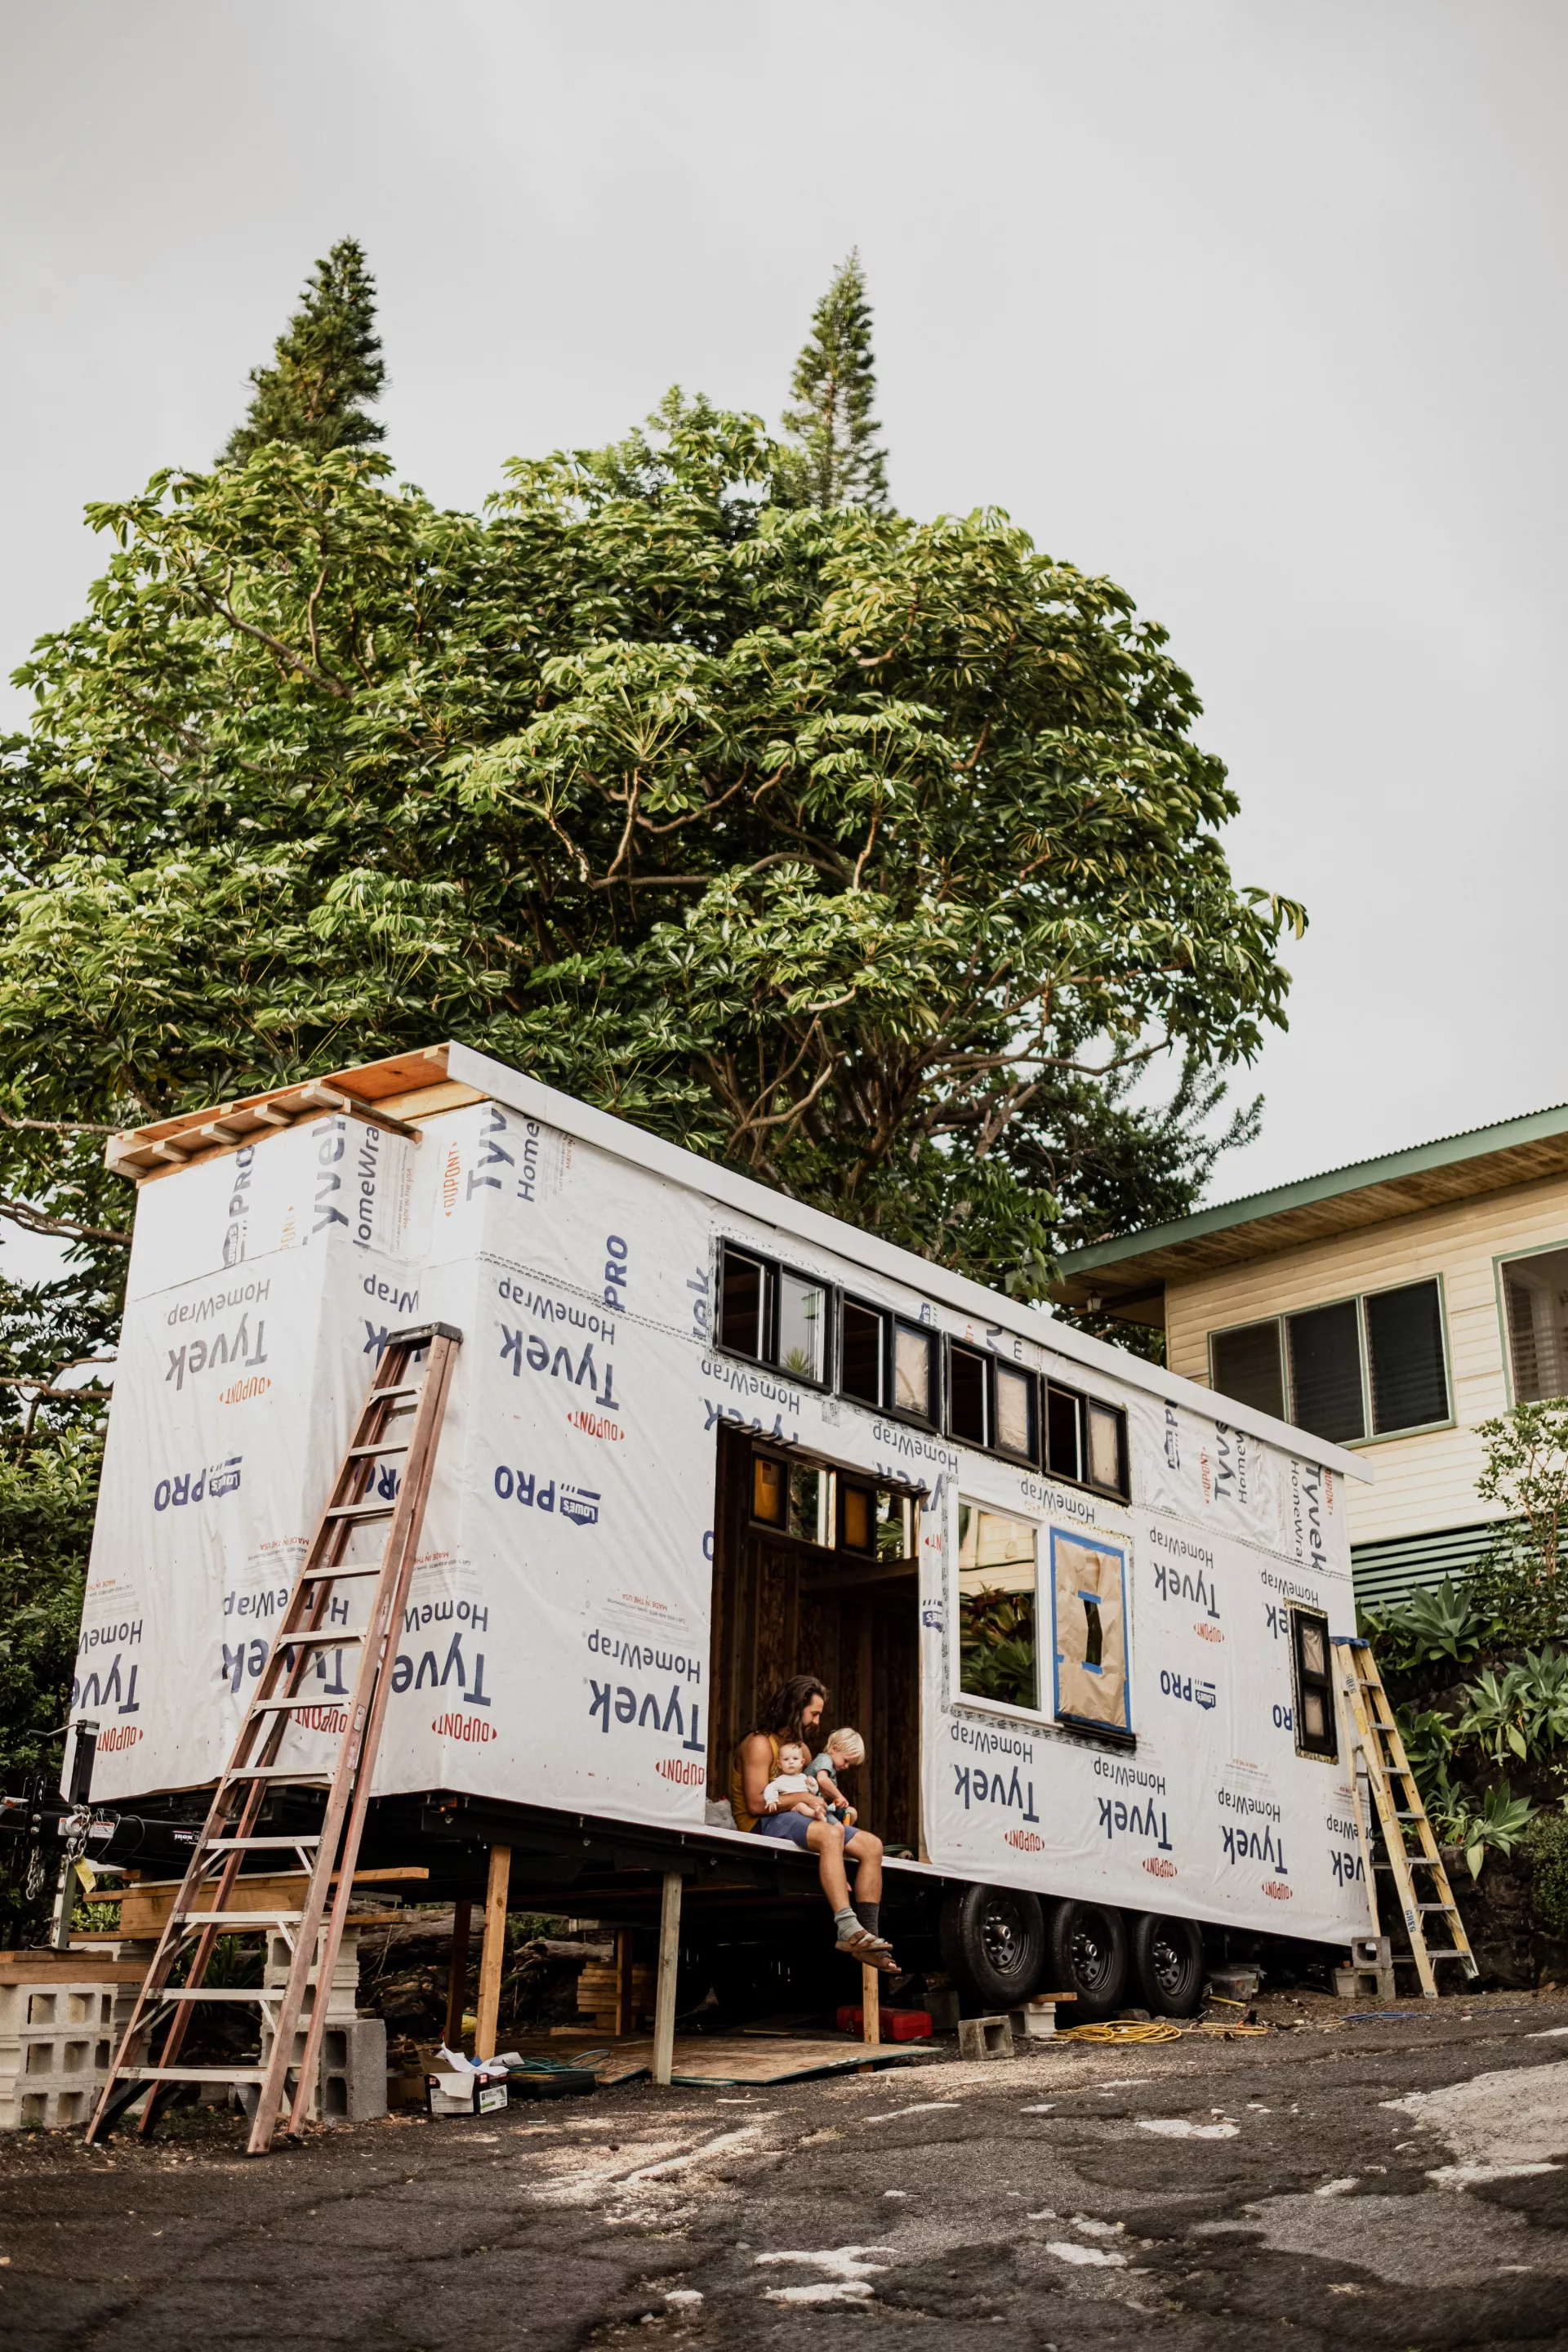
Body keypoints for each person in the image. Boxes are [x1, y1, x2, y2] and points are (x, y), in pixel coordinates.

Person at [731, 1674, 893, 1969]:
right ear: (796, 1707)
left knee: (873, 1845)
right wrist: (802, 1800)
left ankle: (869, 1937)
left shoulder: (802, 1751)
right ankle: (847, 1927)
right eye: (814, 1714)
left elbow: (813, 1794)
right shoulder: (758, 1745)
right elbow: (756, 1804)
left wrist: (832, 1805)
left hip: (798, 1818)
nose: (818, 1722)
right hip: (762, 1825)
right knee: (831, 1835)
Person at [808, 1726, 864, 1826]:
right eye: (846, 1760)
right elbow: (822, 1780)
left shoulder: (831, 1769)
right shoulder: (825, 1759)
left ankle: (844, 1837)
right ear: (834, 1749)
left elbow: (823, 1794)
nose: (846, 1766)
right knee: (838, 1827)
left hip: (818, 1805)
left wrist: (835, 1801)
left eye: (850, 1764)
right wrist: (839, 1796)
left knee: (852, 1813)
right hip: (807, 1805)